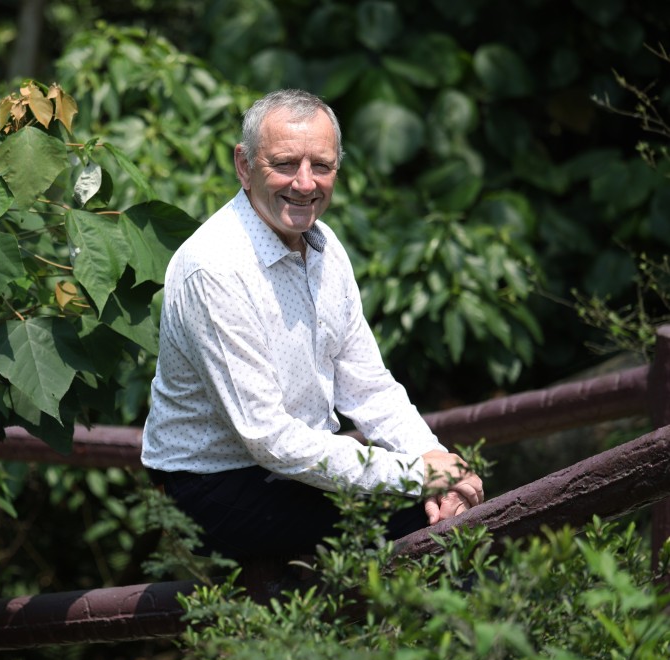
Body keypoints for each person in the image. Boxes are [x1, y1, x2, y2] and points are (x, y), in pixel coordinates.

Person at [141, 89, 484, 560]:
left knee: (447, 515)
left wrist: (434, 461)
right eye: (285, 164)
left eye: (321, 166)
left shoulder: (324, 245)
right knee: (415, 529)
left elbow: (369, 386)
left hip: (292, 464)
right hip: (212, 482)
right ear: (244, 165)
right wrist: (418, 476)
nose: (305, 183)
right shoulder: (214, 268)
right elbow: (269, 439)